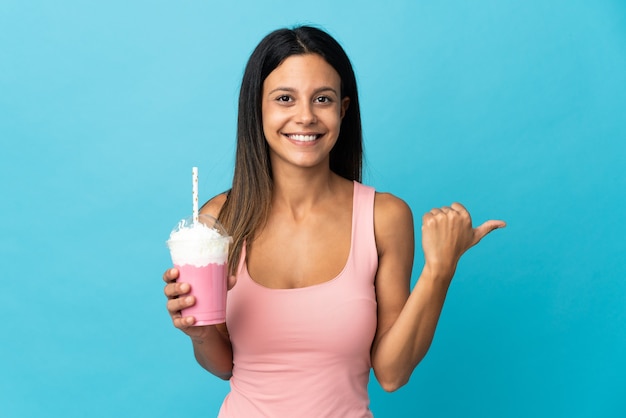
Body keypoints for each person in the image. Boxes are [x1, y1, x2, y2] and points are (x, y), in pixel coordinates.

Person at [163, 25, 505, 417]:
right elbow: (223, 365)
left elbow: (393, 374)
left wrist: (440, 270)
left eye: (322, 99)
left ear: (342, 110)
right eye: (285, 98)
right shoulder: (219, 220)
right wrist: (199, 330)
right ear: (257, 108)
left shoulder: (384, 217)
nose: (305, 116)